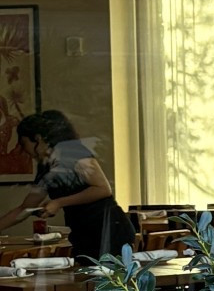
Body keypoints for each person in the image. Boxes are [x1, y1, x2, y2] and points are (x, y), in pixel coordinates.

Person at [0, 110, 135, 262]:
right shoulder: (46, 167)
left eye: (24, 143)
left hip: (107, 230)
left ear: (37, 138)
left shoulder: (74, 153)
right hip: (82, 232)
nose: (23, 150)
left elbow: (103, 189)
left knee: (104, 275)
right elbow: (25, 207)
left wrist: (59, 202)